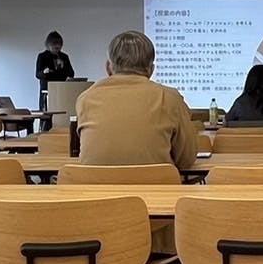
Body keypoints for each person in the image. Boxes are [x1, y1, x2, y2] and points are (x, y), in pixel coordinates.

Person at [73, 30, 198, 170]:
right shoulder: (170, 98)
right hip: (154, 183)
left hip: (94, 184)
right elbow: (186, 159)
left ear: (108, 67)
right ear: (151, 70)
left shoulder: (85, 98)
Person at [35, 31, 75, 107]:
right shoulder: (42, 56)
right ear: (48, 45)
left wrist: (63, 66)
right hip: (48, 91)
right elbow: (37, 74)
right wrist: (44, 72)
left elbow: (71, 74)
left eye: (59, 44)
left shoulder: (64, 57)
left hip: (62, 90)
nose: (57, 47)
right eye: (54, 44)